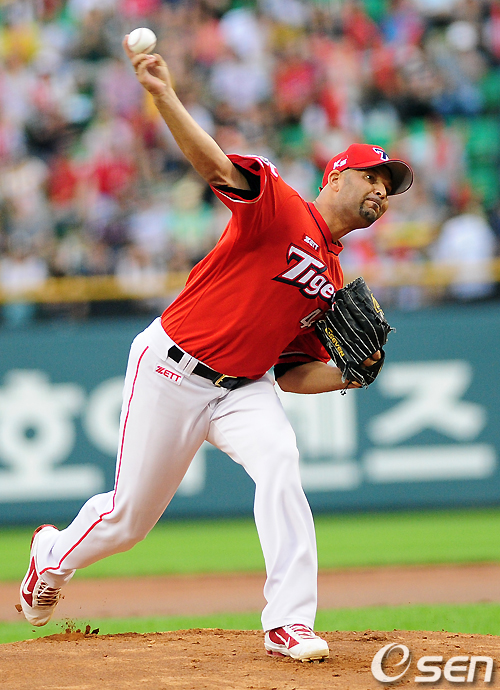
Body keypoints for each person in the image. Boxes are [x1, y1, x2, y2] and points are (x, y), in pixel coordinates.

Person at [19, 39, 413, 662]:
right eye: (373, 177)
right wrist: (164, 96)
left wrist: (348, 374)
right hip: (171, 368)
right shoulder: (280, 207)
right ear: (336, 176)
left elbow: (291, 374)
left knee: (281, 461)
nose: (382, 192)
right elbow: (215, 167)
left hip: (244, 389)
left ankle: (288, 622)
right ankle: (51, 555)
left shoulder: (333, 282)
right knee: (129, 521)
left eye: (389, 187)